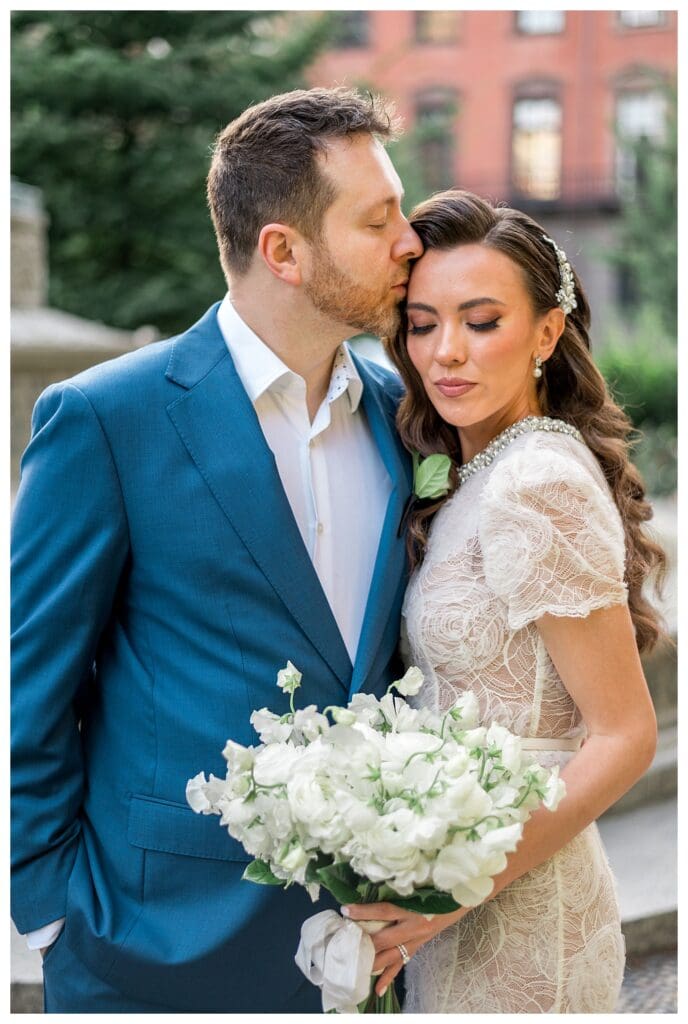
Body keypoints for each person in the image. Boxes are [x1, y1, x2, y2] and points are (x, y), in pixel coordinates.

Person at [10, 87, 423, 1013]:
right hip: (151, 948)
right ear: (283, 250)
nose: (411, 241)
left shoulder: (407, 420)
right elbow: (24, 688)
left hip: (363, 953)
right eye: (378, 218)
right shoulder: (105, 420)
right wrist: (49, 911)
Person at [343, 190, 665, 1013]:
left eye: (482, 322)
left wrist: (454, 890)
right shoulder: (474, 472)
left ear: (547, 335)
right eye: (422, 324)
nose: (446, 352)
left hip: (522, 912)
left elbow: (626, 734)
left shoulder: (537, 478)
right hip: (462, 898)